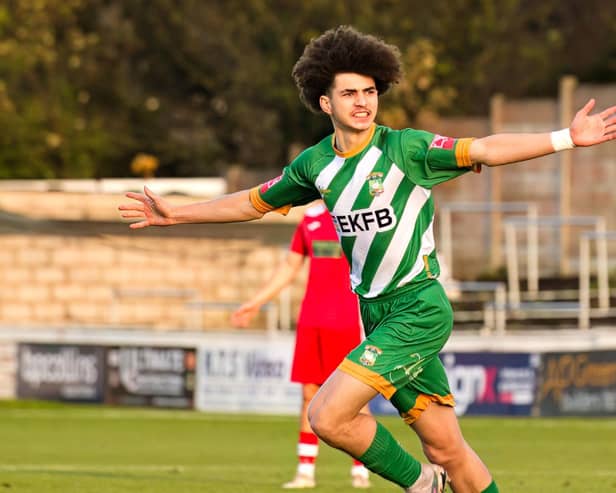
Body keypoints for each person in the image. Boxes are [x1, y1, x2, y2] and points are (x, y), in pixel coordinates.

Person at [119, 25, 616, 493]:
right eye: (350, 93)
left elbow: (485, 147)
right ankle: (438, 477)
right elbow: (254, 202)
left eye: (370, 91)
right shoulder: (315, 164)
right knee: (447, 448)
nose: (363, 102)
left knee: (327, 416)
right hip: (375, 316)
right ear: (324, 101)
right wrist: (177, 215)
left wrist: (566, 138)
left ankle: (422, 485)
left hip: (417, 308)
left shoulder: (406, 149)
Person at [231, 200, 371, 489]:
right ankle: (305, 472)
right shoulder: (310, 219)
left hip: (347, 320)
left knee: (355, 397)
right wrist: (255, 303)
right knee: (309, 395)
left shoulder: (360, 214)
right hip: (312, 319)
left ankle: (362, 469)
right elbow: (289, 266)